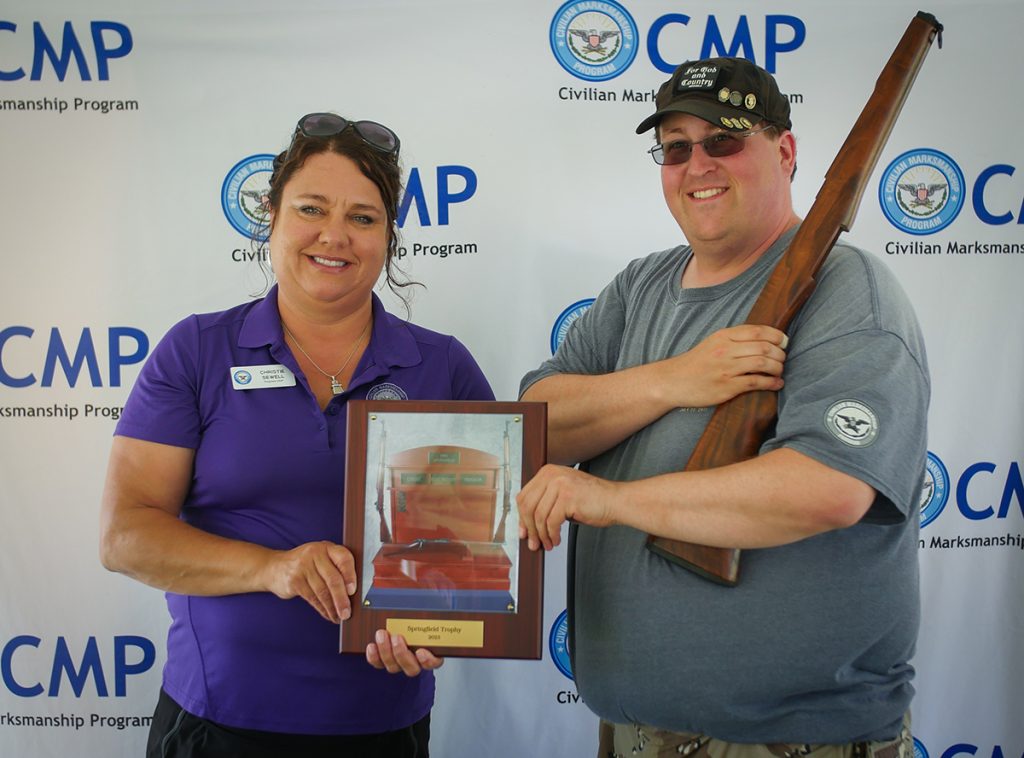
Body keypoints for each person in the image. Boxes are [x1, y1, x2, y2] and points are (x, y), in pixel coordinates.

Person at [517, 57, 929, 756]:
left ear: (786, 151)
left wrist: (610, 499)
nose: (696, 164)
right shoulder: (640, 287)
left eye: (723, 140)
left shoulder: (846, 289)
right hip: (632, 735)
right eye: (675, 147)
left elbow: (825, 490)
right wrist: (675, 380)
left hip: (791, 746)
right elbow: (539, 422)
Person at [99, 112, 494, 758]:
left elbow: (476, 559)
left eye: (363, 218)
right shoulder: (197, 351)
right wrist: (275, 570)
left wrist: (442, 628)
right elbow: (125, 536)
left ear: (389, 237)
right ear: (272, 219)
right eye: (311, 208)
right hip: (217, 724)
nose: (334, 236)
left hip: (383, 728)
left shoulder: (442, 367)